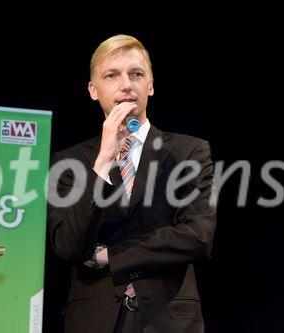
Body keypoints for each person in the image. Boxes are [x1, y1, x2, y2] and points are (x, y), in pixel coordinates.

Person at [48, 34, 216, 333]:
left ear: (149, 86)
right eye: (111, 75)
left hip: (168, 318)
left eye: (136, 74)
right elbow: (69, 247)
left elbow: (197, 235)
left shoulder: (188, 152)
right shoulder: (67, 162)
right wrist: (102, 164)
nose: (126, 84)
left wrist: (111, 255)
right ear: (93, 90)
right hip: (94, 320)